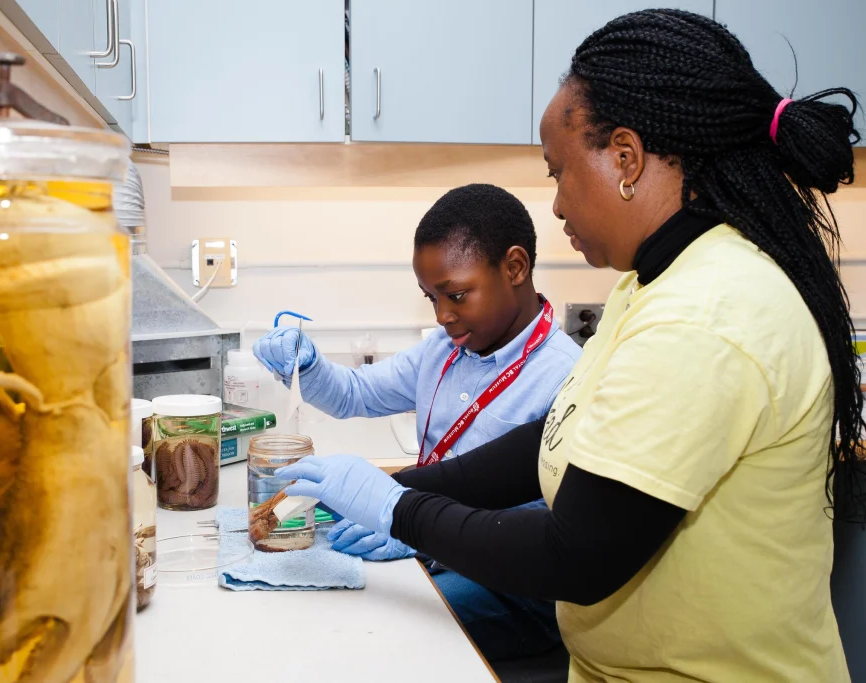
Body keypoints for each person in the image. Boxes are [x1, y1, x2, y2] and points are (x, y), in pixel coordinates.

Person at [277, 9, 865, 681]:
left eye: (557, 171)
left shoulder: (705, 315)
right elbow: (555, 439)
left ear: (625, 157)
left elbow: (577, 553)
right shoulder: (652, 283)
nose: (555, 205)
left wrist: (399, 509)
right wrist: (395, 486)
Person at [253, 183, 580, 661]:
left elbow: (549, 529)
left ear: (515, 267)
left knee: (378, 637)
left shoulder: (565, 375)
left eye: (456, 294)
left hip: (511, 589)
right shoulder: (445, 349)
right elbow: (355, 394)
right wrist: (306, 364)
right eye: (430, 298)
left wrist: (419, 534)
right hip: (423, 540)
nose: (443, 315)